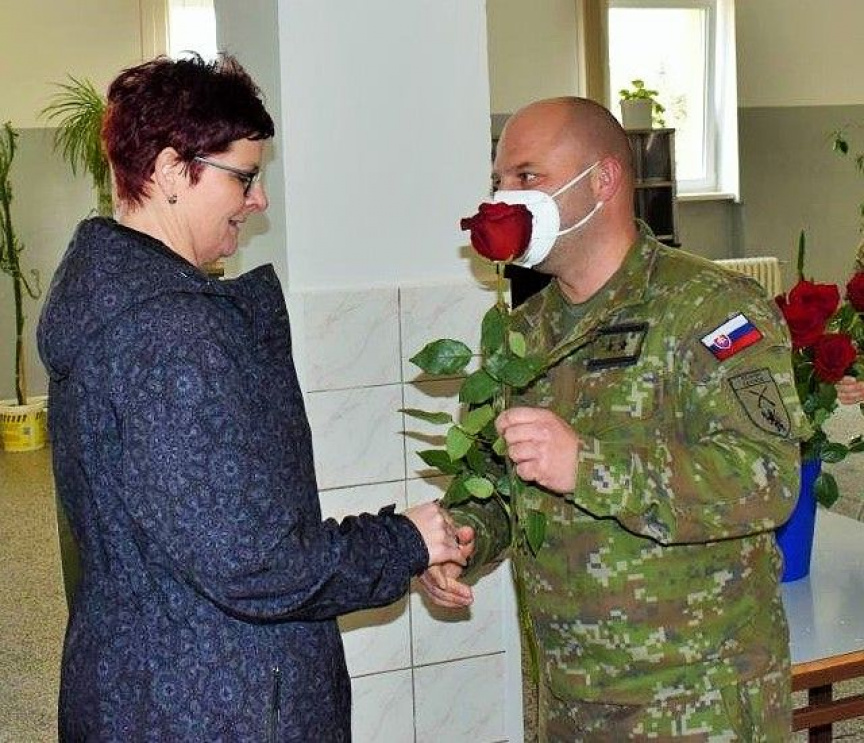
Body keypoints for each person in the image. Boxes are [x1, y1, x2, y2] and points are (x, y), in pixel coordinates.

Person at [38, 54, 471, 742]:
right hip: (214, 701)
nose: (259, 200)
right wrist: (404, 542)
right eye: (243, 176)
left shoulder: (108, 291)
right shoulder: (169, 329)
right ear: (172, 171)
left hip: (144, 675)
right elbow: (254, 562)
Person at [419, 97, 808, 740]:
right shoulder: (522, 335)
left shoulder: (709, 308)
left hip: (696, 703)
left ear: (601, 180)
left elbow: (766, 481)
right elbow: (503, 484)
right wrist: (462, 538)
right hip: (569, 699)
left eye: (526, 176)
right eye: (498, 180)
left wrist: (588, 467)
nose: (504, 198)